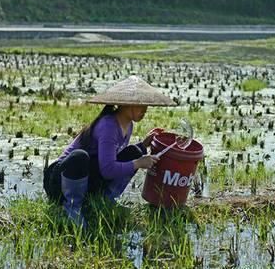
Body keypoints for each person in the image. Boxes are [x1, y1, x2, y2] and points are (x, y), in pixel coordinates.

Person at [43, 75, 176, 226]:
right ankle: (72, 207)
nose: (145, 110)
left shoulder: (128, 125)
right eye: (141, 105)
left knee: (134, 151)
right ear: (126, 104)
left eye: (146, 106)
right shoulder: (108, 125)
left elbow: (114, 157)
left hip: (88, 175)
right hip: (60, 181)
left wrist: (143, 146)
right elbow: (107, 170)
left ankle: (105, 199)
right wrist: (138, 163)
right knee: (80, 157)